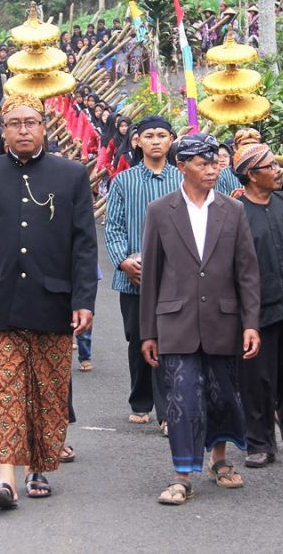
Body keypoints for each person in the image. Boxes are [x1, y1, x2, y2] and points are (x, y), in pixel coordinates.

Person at [0, 92, 98, 509]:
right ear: (3, 128)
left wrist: (84, 299)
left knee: (49, 391)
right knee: (4, 390)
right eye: (15, 122)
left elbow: (84, 245)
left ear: (43, 127)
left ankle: (39, 466)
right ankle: (6, 479)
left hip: (53, 303)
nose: (23, 129)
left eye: (30, 122)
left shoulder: (70, 175)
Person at [139, 132, 261, 506]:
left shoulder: (233, 209)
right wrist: (148, 332)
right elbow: (152, 275)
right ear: (183, 166)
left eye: (215, 163)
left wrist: (251, 322)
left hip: (223, 320)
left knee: (222, 393)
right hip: (175, 321)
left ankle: (220, 460)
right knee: (183, 396)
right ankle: (182, 475)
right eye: (203, 163)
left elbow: (247, 272)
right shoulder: (161, 210)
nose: (212, 170)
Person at [230, 131, 283, 468]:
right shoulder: (234, 212)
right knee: (256, 379)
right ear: (252, 175)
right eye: (271, 166)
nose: (279, 170)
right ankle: (259, 443)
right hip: (255, 312)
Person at [104, 116, 178, 431]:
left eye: (162, 135)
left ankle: (168, 410)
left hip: (176, 277)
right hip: (133, 277)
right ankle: (140, 398)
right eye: (149, 135)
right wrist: (123, 261)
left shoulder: (183, 179)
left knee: (170, 339)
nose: (156, 140)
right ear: (138, 141)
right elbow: (114, 226)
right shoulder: (124, 181)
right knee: (137, 338)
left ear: (172, 140)